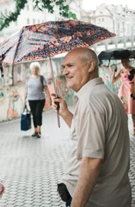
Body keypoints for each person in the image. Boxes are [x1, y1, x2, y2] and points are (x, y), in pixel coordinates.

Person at [53, 48, 131, 207]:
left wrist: (77, 204)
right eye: (63, 68)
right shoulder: (103, 94)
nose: (65, 72)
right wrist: (66, 114)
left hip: (95, 200)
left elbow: (92, 160)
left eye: (70, 66)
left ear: (90, 66)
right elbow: (86, 133)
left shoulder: (92, 100)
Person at [24, 62, 51, 138]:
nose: (34, 70)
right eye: (33, 69)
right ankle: (35, 130)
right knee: (33, 115)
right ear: (31, 70)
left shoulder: (41, 78)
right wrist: (24, 98)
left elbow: (46, 88)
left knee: (38, 114)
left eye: (36, 68)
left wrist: (49, 98)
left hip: (40, 99)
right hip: (31, 99)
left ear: (38, 69)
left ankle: (39, 129)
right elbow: (26, 89)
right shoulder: (28, 78)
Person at [112, 58, 135, 135]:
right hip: (123, 92)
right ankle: (125, 129)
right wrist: (113, 71)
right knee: (123, 110)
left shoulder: (133, 69)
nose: (124, 63)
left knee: (133, 110)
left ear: (128, 60)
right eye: (122, 61)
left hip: (132, 91)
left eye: (125, 61)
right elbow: (113, 80)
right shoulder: (121, 71)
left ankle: (134, 128)